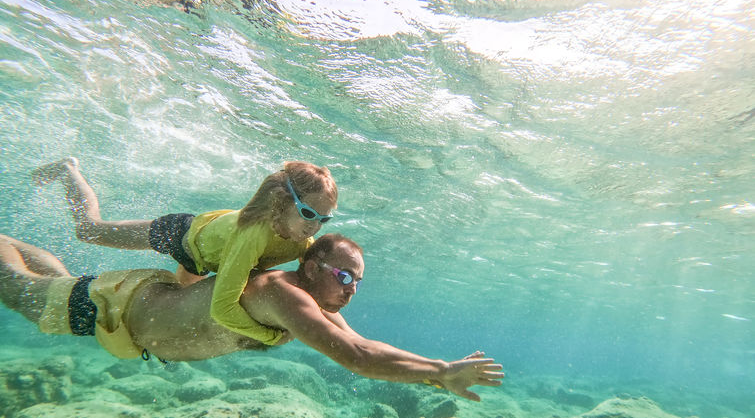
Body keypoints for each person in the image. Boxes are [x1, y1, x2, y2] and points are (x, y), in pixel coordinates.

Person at [0, 233, 504, 401]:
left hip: (132, 306)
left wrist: (440, 370)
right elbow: (357, 357)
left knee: (46, 287)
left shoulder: (310, 302)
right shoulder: (286, 295)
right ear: (310, 267)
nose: (350, 291)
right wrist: (440, 373)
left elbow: (367, 345)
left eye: (358, 282)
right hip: (122, 309)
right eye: (344, 277)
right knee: (21, 294)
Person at [32, 157, 337, 346]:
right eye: (309, 214)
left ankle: (65, 284)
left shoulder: (302, 242)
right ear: (282, 202)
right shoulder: (252, 236)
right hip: (180, 236)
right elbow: (222, 309)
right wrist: (270, 337)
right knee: (89, 230)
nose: (315, 227)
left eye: (324, 219)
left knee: (177, 300)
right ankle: (68, 169)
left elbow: (317, 288)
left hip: (208, 256)